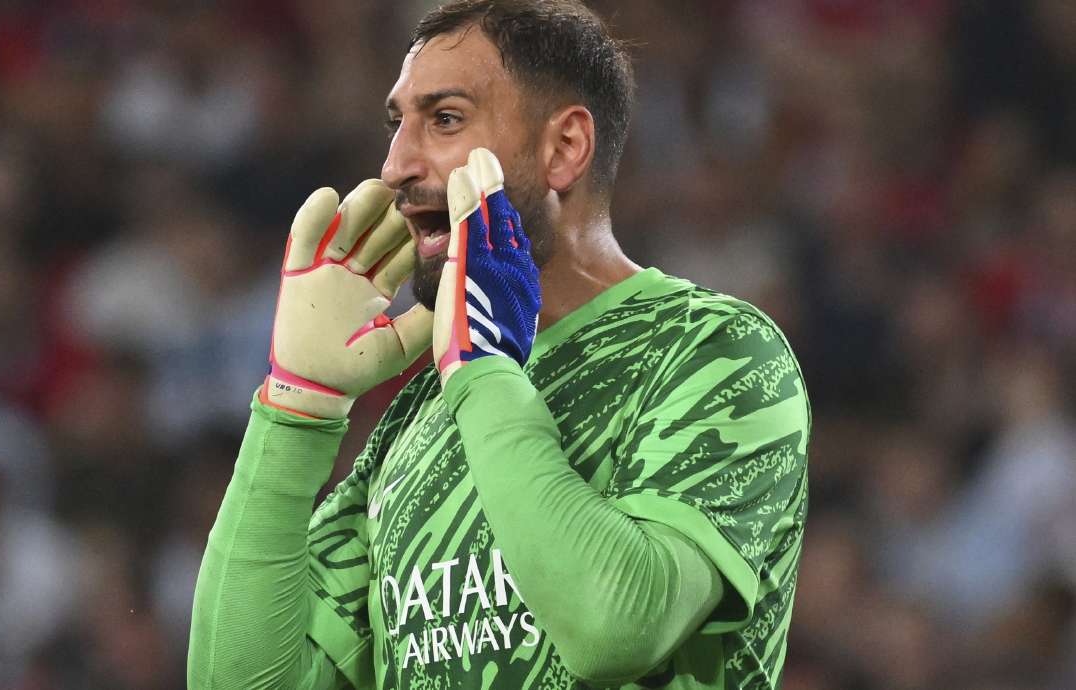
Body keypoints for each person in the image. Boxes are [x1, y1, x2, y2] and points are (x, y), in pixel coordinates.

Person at [187, 1, 810, 688]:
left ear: (564, 148)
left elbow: (614, 628)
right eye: (396, 126)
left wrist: (483, 374)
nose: (395, 166)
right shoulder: (418, 418)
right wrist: (295, 412)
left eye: (445, 119)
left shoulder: (716, 352)